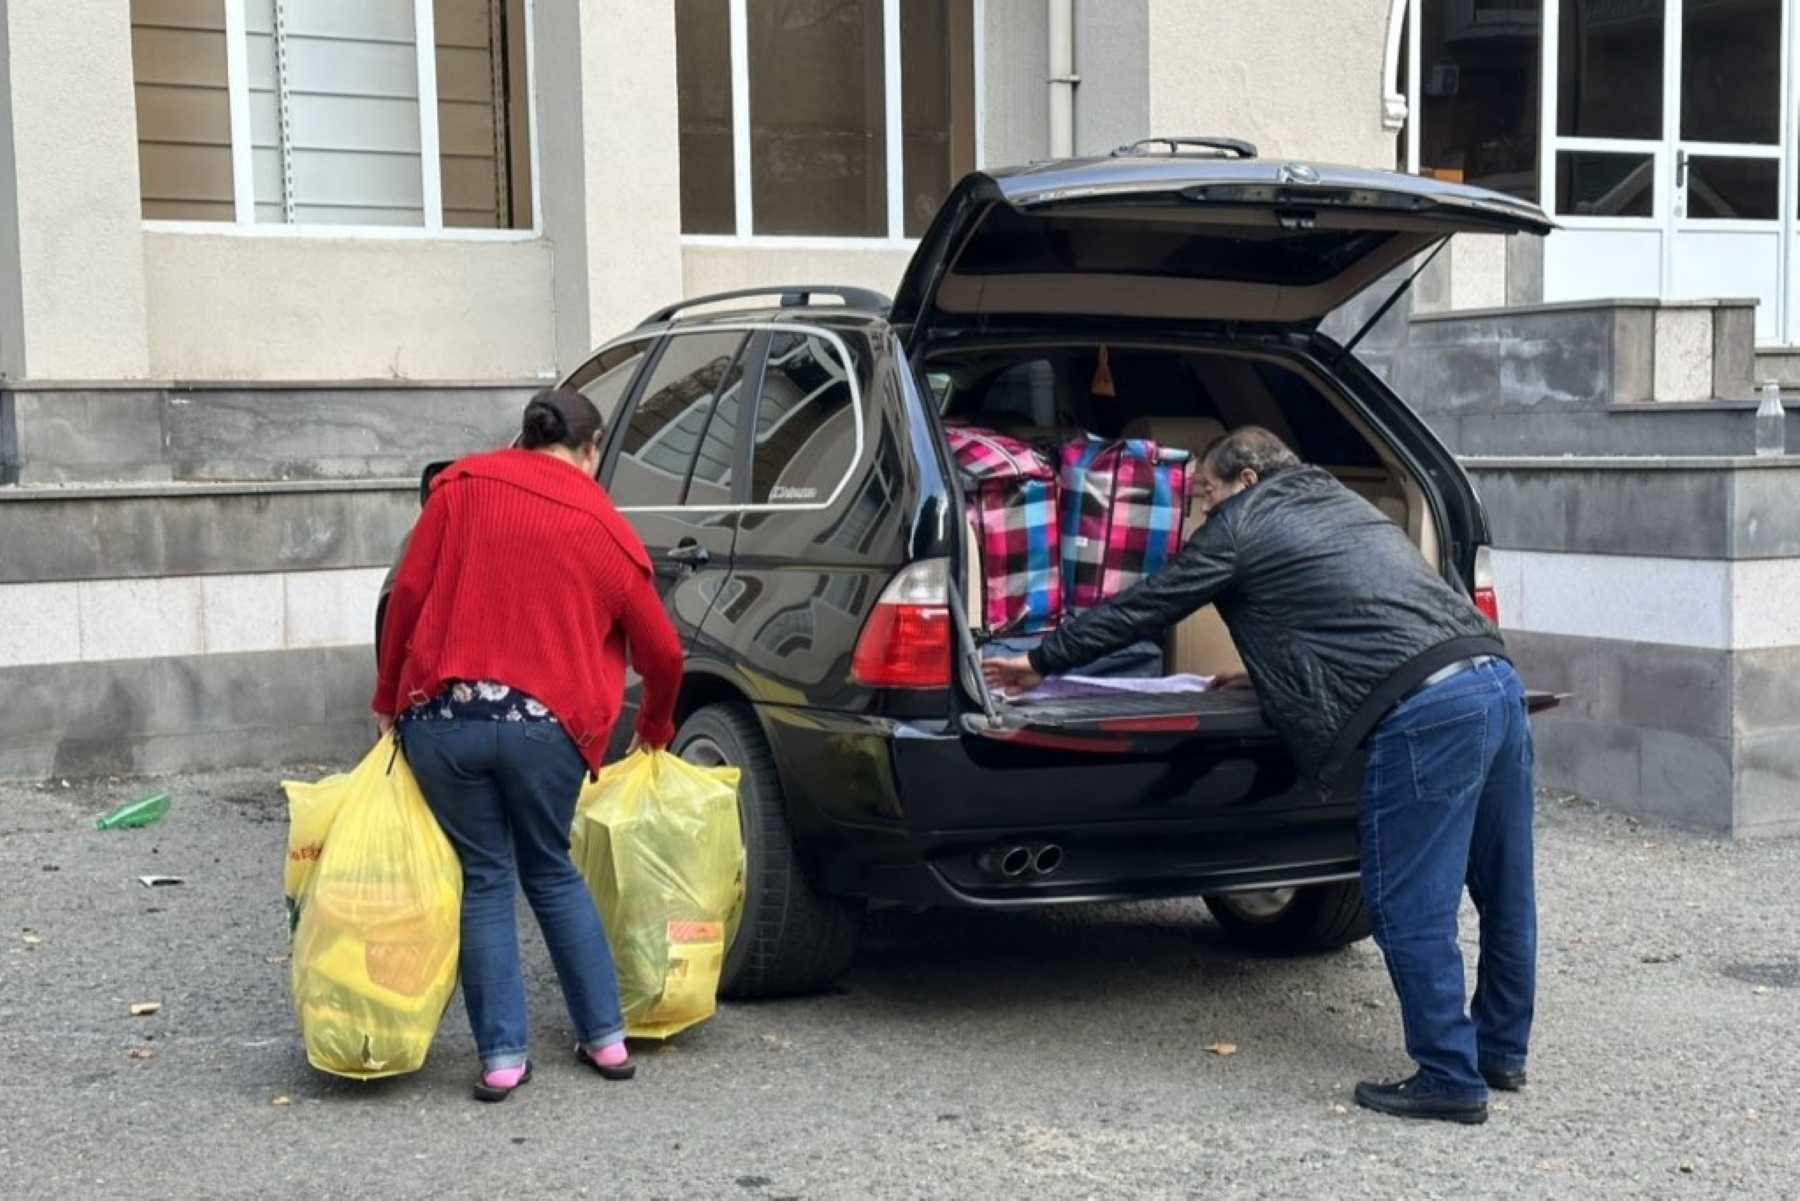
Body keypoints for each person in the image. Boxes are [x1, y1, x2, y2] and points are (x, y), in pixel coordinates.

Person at [984, 427, 1535, 1126]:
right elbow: (1354, 611)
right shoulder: (1340, 502)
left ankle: (1449, 1077)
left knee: (1407, 902)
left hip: (1427, 713)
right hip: (1495, 683)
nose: (1204, 514)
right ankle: (1500, 1051)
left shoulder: (1246, 522)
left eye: (1208, 496)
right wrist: (1261, 672)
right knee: (1504, 885)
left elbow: (1153, 604)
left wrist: (1042, 661)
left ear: (1245, 479)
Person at [373, 387, 684, 1103]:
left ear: (525, 436)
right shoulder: (602, 526)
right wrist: (655, 727)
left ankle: (502, 1059)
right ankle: (606, 1038)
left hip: (444, 725)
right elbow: (663, 653)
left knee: (485, 874)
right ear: (592, 448)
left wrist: (388, 697)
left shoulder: (459, 488)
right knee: (549, 867)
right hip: (548, 732)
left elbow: (409, 596)